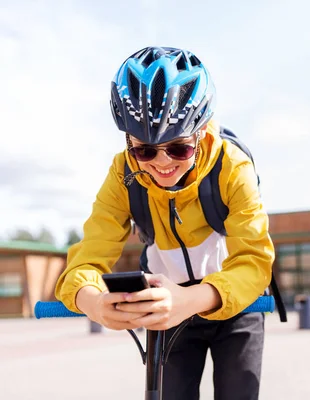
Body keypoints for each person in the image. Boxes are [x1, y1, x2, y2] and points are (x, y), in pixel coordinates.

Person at [54, 46, 274, 400]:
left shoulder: (232, 166)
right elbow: (87, 258)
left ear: (201, 133)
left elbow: (254, 261)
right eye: (144, 150)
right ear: (128, 141)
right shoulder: (122, 173)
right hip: (165, 308)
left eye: (179, 148)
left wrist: (190, 299)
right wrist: (93, 302)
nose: (161, 163)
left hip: (235, 303)